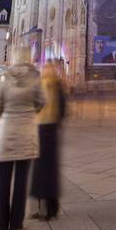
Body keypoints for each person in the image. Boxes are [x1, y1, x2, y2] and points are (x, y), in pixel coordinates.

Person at [0, 54, 45, 230]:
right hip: (26, 133)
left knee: (3, 180)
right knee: (21, 182)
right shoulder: (35, 79)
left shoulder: (5, 78)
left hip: (7, 133)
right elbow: (41, 102)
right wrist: (29, 113)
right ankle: (16, 223)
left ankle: (0, 223)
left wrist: (6, 116)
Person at [31, 62, 67, 221]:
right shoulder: (55, 85)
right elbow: (64, 110)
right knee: (44, 171)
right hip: (48, 130)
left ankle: (49, 209)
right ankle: (47, 208)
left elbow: (35, 105)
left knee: (44, 171)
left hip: (44, 130)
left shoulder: (46, 85)